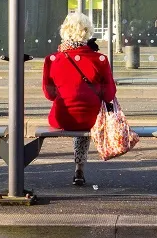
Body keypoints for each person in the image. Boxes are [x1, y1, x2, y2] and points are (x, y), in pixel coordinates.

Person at [42, 12, 116, 186]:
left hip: (62, 118)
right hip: (92, 118)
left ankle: (78, 168)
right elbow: (109, 94)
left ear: (64, 32)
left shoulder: (52, 60)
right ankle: (79, 168)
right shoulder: (100, 59)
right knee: (86, 118)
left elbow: (49, 94)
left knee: (75, 114)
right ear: (87, 32)